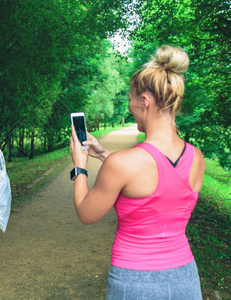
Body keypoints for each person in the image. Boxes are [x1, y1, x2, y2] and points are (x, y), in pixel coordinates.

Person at [69, 45, 205, 299]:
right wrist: (103, 154)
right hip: (185, 279)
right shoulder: (196, 157)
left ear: (145, 102)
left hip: (135, 281)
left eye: (130, 99)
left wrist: (80, 165)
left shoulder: (124, 164)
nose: (129, 105)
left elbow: (86, 213)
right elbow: (161, 183)